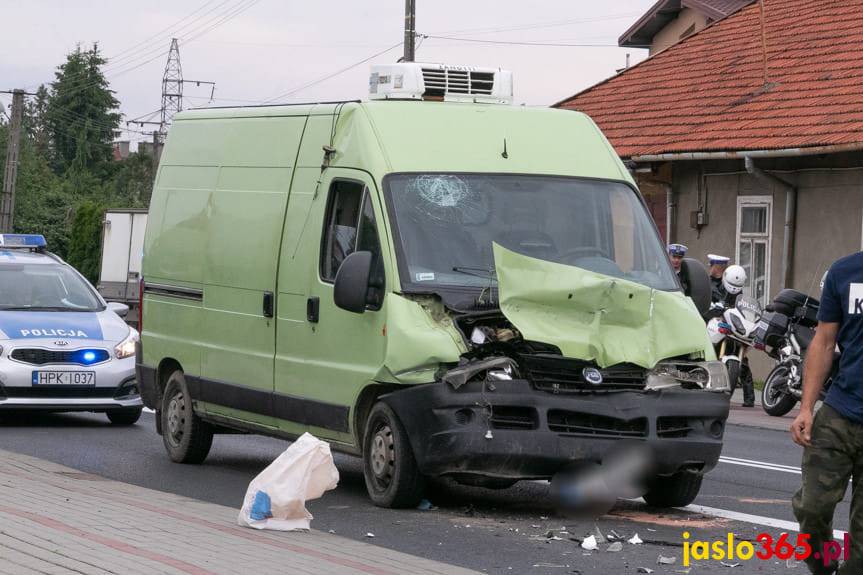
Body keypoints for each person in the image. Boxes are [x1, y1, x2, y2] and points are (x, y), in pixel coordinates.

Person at [791, 253, 863, 575]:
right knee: (812, 508)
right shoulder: (844, 272)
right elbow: (823, 341)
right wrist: (806, 408)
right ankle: (824, 567)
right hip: (840, 412)